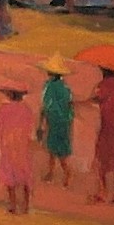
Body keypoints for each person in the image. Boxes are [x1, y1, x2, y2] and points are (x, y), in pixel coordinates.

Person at [86, 66, 114, 205]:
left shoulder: (104, 84)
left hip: (107, 127)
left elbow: (98, 98)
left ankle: (103, 192)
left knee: (102, 160)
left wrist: (83, 102)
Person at [0, 80, 35, 214]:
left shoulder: (3, 110)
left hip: (8, 145)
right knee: (25, 173)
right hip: (22, 145)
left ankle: (13, 204)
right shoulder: (26, 110)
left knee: (10, 174)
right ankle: (26, 205)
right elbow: (29, 128)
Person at [36, 53, 74, 188]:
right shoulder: (66, 88)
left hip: (53, 121)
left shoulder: (49, 87)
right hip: (64, 122)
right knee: (59, 149)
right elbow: (70, 107)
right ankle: (57, 173)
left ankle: (63, 173)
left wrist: (40, 123)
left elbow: (45, 106)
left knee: (53, 149)